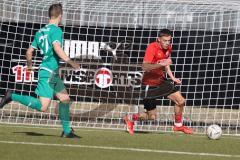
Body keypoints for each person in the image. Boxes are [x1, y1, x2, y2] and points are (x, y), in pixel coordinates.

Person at [0, 3, 80, 138]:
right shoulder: (56, 30)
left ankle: (67, 132)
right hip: (48, 72)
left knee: (65, 99)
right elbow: (57, 48)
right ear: (60, 16)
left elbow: (29, 52)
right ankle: (12, 96)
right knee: (43, 107)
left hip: (50, 72)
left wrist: (30, 67)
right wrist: (70, 61)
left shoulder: (40, 32)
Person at [124, 29, 193, 135]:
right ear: (159, 40)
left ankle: (178, 126)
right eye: (164, 41)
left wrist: (172, 77)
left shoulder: (168, 48)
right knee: (152, 117)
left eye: (169, 41)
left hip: (161, 81)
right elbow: (145, 66)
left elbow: (166, 65)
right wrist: (161, 64)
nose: (167, 43)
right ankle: (130, 118)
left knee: (181, 101)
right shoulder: (152, 47)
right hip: (149, 84)